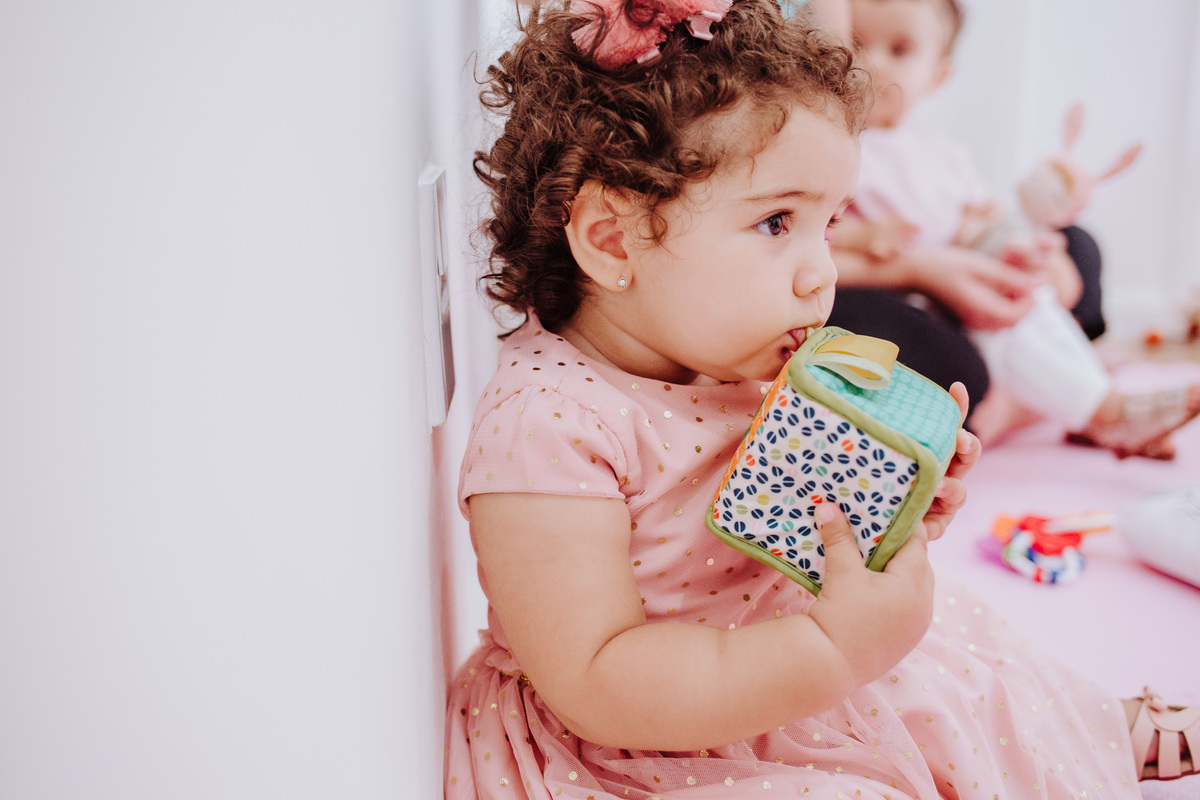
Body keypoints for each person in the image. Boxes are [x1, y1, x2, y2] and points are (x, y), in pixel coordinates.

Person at [445, 1, 1197, 797]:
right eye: (776, 223)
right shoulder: (546, 427)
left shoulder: (727, 354)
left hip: (782, 651)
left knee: (968, 644)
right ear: (611, 238)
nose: (822, 275)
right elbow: (598, 682)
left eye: (828, 226)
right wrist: (835, 650)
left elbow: (784, 529)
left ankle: (1083, 723)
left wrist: (884, 504)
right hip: (644, 743)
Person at [827, 0, 1200, 459]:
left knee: (1059, 264)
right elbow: (818, 233)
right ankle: (1103, 409)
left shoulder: (943, 154)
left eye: (900, 49)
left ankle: (1079, 394)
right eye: (857, 44)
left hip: (976, 282)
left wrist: (1032, 249)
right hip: (916, 300)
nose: (872, 62)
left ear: (939, 75)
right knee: (1011, 324)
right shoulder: (840, 147)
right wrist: (866, 238)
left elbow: (982, 215)